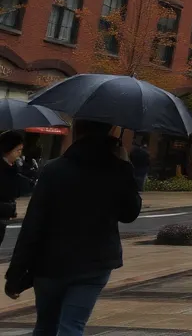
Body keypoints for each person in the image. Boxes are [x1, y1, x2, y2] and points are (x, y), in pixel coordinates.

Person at [5, 119, 141, 336]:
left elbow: (33, 224)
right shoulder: (116, 171)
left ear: (77, 131)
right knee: (72, 325)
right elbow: (129, 213)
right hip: (94, 262)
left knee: (45, 326)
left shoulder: (54, 169)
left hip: (50, 262)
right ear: (110, 132)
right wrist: (125, 166)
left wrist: (16, 274)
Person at [0, 131, 24, 248]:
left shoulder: (13, 168)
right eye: (17, 150)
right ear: (7, 150)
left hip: (3, 217)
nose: (19, 154)